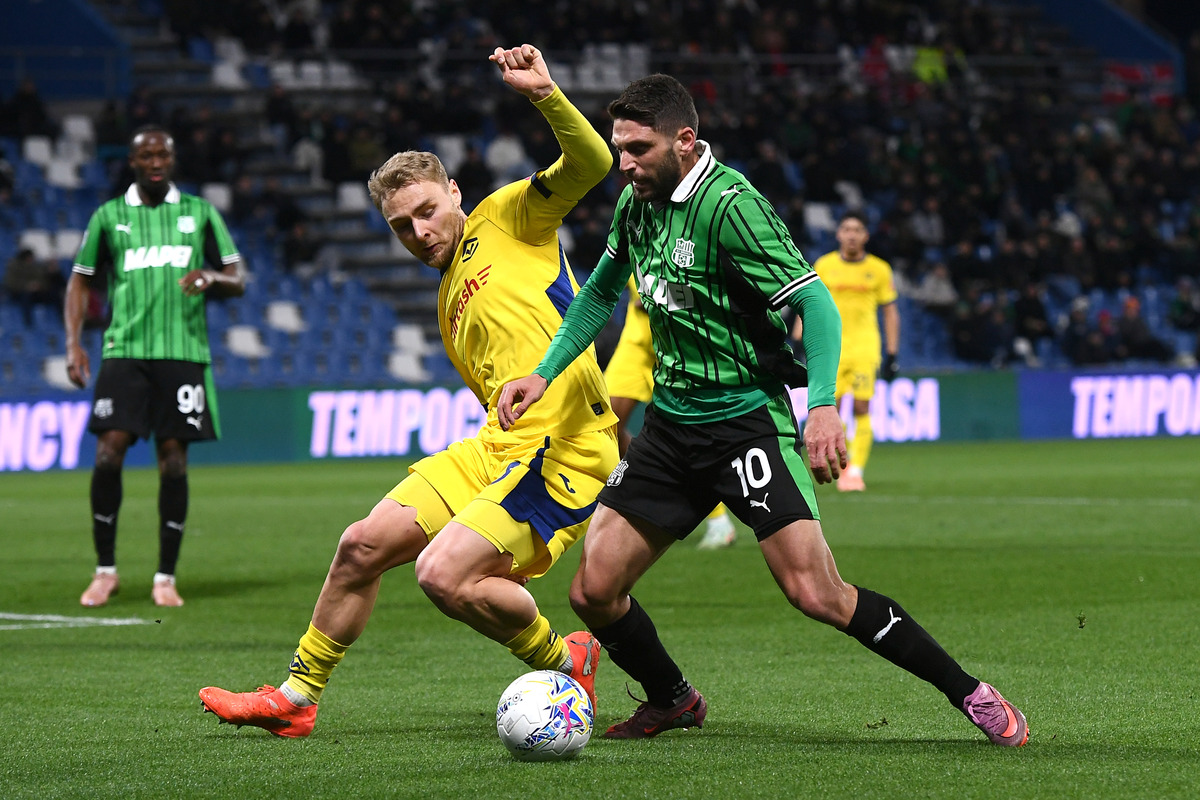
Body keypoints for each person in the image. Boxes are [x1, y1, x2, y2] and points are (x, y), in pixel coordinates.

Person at [497, 74, 1028, 746]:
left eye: (637, 147)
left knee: (817, 594)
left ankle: (972, 694)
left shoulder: (732, 205)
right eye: (618, 147)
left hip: (745, 424)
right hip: (670, 430)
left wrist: (825, 407)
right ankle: (674, 699)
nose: (623, 162)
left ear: (684, 141)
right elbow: (599, 293)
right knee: (593, 592)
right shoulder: (638, 205)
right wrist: (543, 374)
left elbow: (815, 302)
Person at [198, 45, 617, 738]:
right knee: (361, 545)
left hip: (565, 447)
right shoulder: (447, 295)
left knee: (442, 576)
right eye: (400, 227)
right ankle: (296, 698)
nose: (419, 233)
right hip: (499, 448)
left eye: (426, 211)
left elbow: (594, 165)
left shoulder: (510, 216)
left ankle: (562, 656)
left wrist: (544, 94)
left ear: (453, 191)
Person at [65, 125, 246, 608]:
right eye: (146, 154)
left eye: (163, 152)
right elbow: (80, 281)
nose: (155, 161)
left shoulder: (200, 213)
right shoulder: (109, 216)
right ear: (133, 161)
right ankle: (106, 571)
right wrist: (73, 344)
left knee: (173, 459)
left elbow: (238, 277)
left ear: (172, 158)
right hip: (124, 350)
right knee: (109, 452)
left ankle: (165, 576)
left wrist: (210, 276)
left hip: (183, 353)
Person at [605, 276, 737, 549]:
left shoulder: (684, 238)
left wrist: (661, 299)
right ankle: (648, 489)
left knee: (692, 434)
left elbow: (701, 292)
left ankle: (718, 520)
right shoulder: (629, 235)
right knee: (606, 421)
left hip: (677, 344)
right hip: (637, 344)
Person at [798, 211, 900, 492]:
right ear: (838, 234)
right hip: (832, 349)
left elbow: (891, 313)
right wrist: (798, 338)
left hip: (866, 348)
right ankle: (839, 466)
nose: (852, 234)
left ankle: (855, 470)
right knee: (834, 407)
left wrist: (892, 354)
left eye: (857, 229)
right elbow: (808, 302)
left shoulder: (879, 269)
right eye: (846, 229)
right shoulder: (825, 265)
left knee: (861, 407)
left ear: (865, 236)